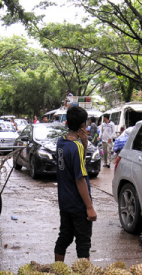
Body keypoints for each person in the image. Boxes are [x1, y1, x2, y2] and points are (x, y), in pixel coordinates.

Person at [54, 106, 96, 262]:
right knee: (83, 242)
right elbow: (80, 178)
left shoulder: (61, 142)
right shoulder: (76, 146)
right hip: (78, 204)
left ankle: (57, 272)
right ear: (82, 126)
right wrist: (89, 207)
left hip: (64, 202)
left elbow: (76, 164)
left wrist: (84, 144)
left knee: (64, 237)